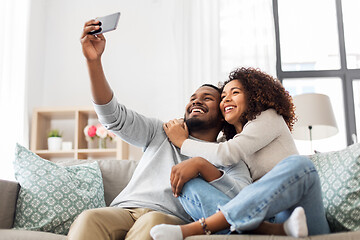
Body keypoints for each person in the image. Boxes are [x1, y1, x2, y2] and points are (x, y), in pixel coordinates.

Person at [67, 19, 252, 240]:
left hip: (169, 217)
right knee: (89, 218)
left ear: (223, 114)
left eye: (207, 98)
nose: (196, 102)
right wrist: (93, 61)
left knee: (152, 222)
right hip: (124, 210)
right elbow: (112, 117)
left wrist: (202, 165)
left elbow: (245, 198)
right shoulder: (160, 131)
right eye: (192, 98)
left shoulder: (228, 155)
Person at [150, 67, 330, 239]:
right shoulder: (234, 141)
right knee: (188, 185)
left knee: (301, 165)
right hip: (265, 217)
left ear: (253, 97)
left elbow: (226, 154)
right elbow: (233, 185)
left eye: (235, 93)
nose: (226, 99)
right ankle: (269, 230)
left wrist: (182, 142)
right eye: (223, 97)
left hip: (298, 215)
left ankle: (196, 228)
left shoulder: (269, 117)